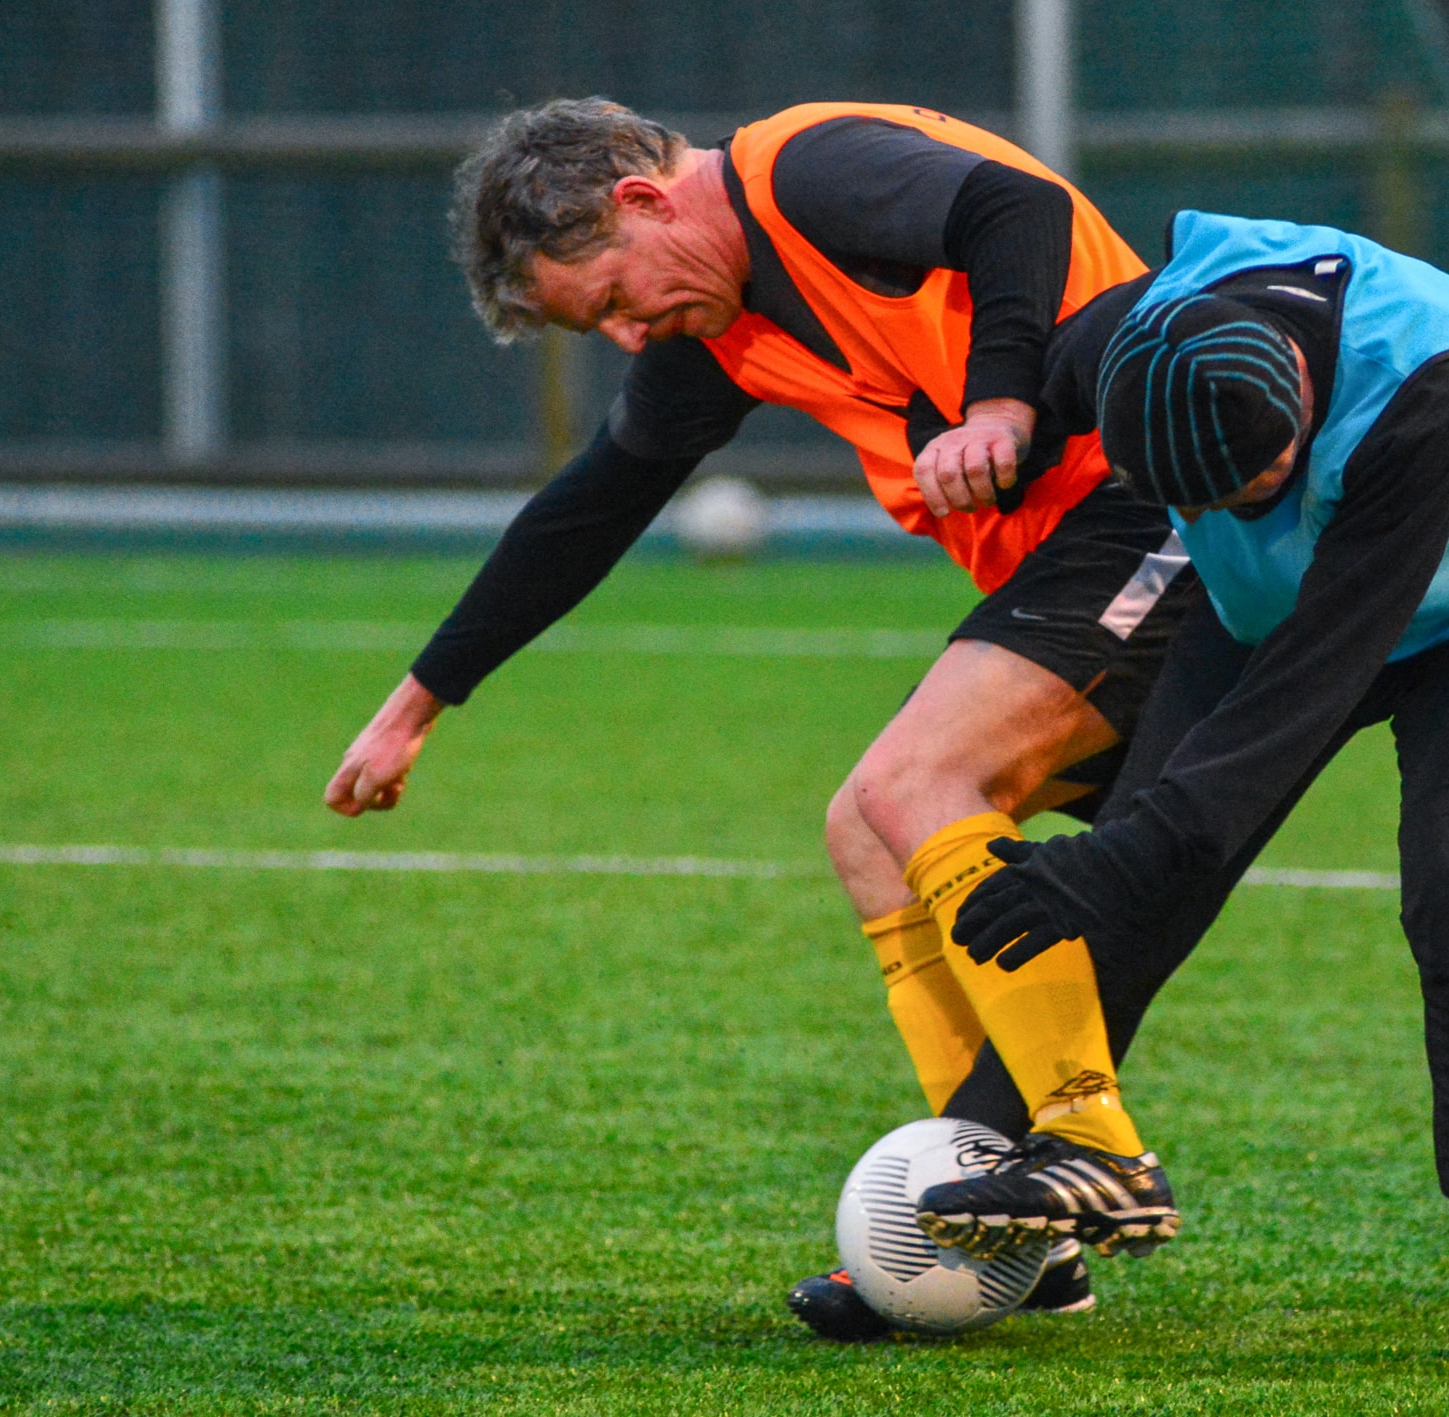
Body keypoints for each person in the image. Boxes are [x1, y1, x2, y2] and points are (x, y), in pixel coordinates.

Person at [321, 98, 1200, 1340]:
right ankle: (1014, 1214)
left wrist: (999, 406)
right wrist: (419, 702)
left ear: (639, 200)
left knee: (909, 787)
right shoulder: (720, 327)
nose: (631, 336)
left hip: (1153, 499)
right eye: (606, 327)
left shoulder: (806, 171)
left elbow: (1021, 211)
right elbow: (596, 502)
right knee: (865, 826)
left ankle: (1082, 1147)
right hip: (1073, 549)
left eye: (616, 299)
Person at [920, 210, 1449, 1366]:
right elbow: (1026, 376)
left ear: (1293, 398)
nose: (1243, 507)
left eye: (1258, 484)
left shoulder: (1430, 389)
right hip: (1267, 609)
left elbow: (1307, 682)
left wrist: (1117, 851)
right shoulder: (1130, 343)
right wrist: (991, 431)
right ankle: (938, 1205)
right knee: (1133, 888)